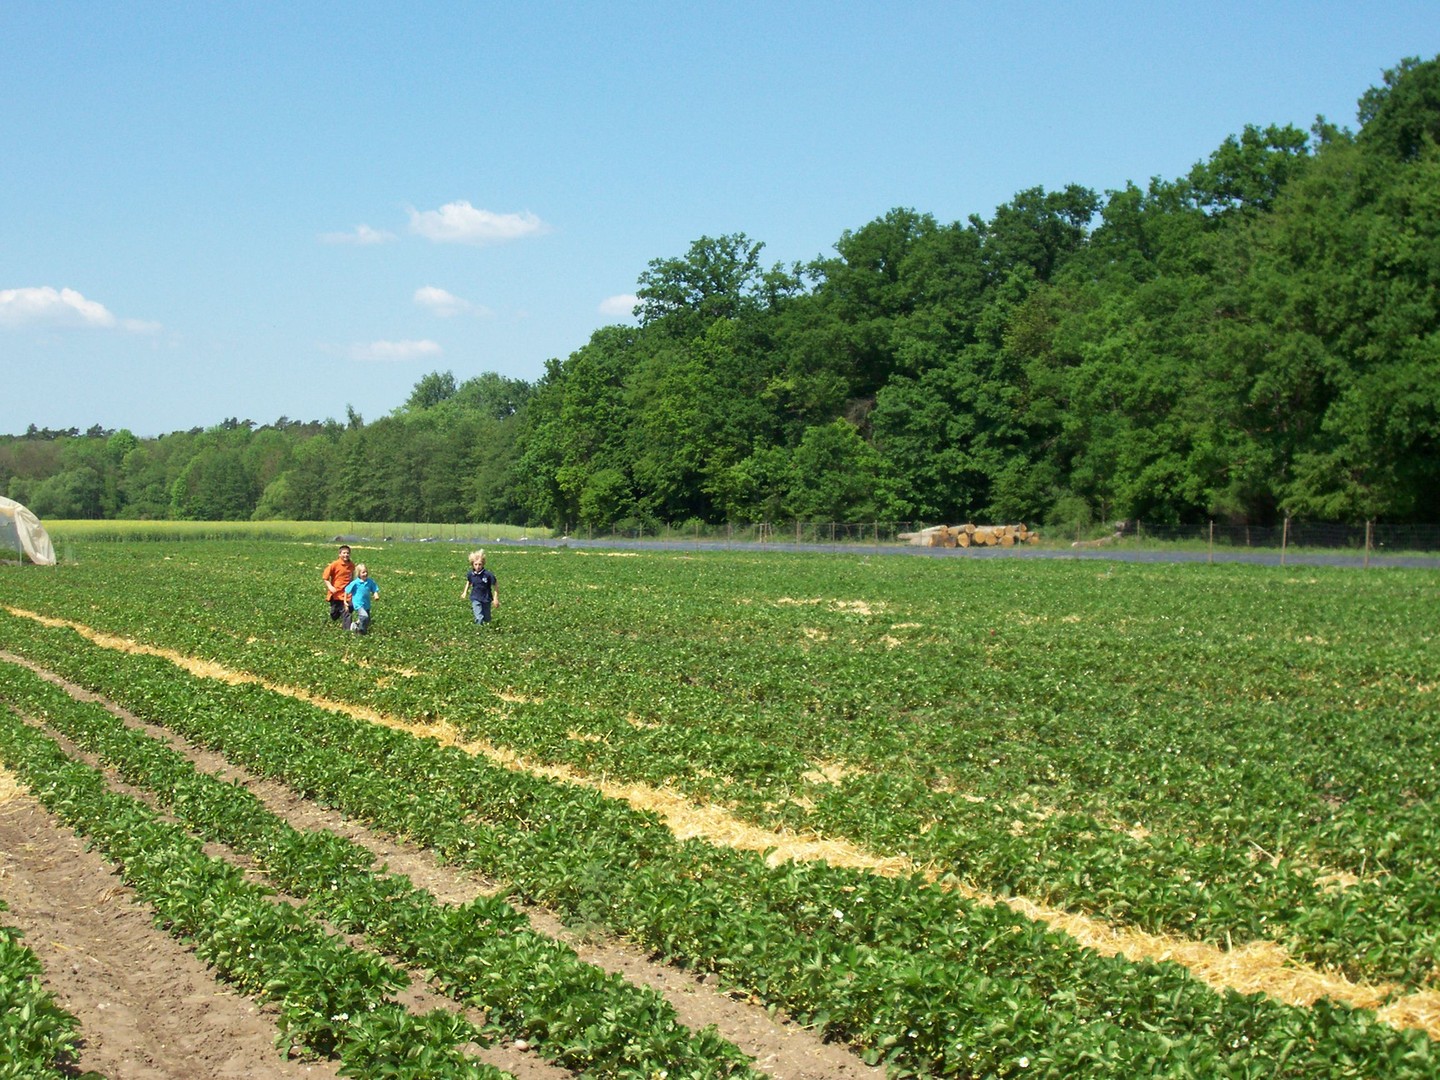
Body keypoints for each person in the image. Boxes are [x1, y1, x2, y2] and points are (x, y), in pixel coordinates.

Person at [461, 549, 499, 624]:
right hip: (475, 598)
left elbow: (495, 584)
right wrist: (465, 592)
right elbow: (469, 582)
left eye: (480, 564)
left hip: (486, 598)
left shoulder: (488, 575)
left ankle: (486, 630)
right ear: (472, 564)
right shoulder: (471, 574)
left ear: (483, 564)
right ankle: (478, 631)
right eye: (476, 564)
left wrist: (495, 598)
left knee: (487, 618)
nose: (478, 566)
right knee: (479, 617)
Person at [322, 545, 354, 624]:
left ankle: (347, 631)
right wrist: (330, 586)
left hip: (347, 594)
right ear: (339, 554)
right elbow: (325, 577)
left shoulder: (352, 565)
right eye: (344, 553)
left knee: (348, 610)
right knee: (334, 614)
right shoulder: (335, 564)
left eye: (348, 553)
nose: (346, 555)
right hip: (336, 593)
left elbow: (352, 577)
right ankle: (337, 614)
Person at [344, 563, 379, 634]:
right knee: (364, 616)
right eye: (363, 572)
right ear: (358, 574)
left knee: (367, 619)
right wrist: (345, 601)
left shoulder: (370, 581)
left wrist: (376, 595)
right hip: (358, 603)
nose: (365, 574)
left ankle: (356, 624)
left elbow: (374, 589)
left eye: (366, 572)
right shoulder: (355, 583)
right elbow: (346, 591)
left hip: (366, 604)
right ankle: (361, 632)